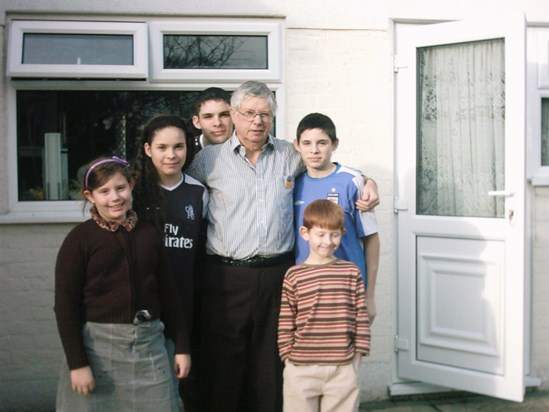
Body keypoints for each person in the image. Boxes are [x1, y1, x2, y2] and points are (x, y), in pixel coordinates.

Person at [185, 80, 379, 412]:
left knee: (271, 365)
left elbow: (329, 165)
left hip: (278, 274)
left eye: (264, 114)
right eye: (248, 113)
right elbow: (176, 184)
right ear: (234, 115)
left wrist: (368, 181)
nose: (257, 121)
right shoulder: (208, 160)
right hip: (226, 277)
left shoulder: (290, 155)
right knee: (224, 365)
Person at [54, 156, 190, 412]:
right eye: (104, 191)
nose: (114, 197)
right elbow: (65, 306)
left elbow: (169, 294)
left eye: (120, 188)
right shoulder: (79, 240)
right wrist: (77, 364)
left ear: (131, 186)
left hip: (149, 346)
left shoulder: (149, 234)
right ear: (90, 196)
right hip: (97, 350)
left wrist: (181, 347)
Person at [132, 115, 208, 412]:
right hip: (141, 304)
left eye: (178, 146)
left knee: (178, 386)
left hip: (184, 302)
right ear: (148, 149)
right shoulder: (131, 191)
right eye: (162, 147)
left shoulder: (198, 192)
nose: (171, 155)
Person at [278, 199, 370, 412]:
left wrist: (356, 360)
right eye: (320, 234)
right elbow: (286, 321)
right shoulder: (294, 275)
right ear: (305, 233)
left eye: (334, 234)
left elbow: (361, 318)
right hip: (300, 369)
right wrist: (287, 359)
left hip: (343, 368)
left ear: (342, 233)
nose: (327, 241)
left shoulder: (351, 272)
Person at [293, 112, 380, 323]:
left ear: (335, 144)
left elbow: (371, 239)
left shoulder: (353, 182)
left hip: (347, 287)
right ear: (297, 145)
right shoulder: (292, 183)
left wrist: (369, 295)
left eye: (322, 143)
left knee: (345, 349)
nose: (314, 150)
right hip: (305, 287)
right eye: (307, 143)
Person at [191, 87, 233, 151]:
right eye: (208, 117)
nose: (217, 123)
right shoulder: (186, 153)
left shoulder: (248, 149)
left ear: (234, 117)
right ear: (197, 122)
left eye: (224, 115)